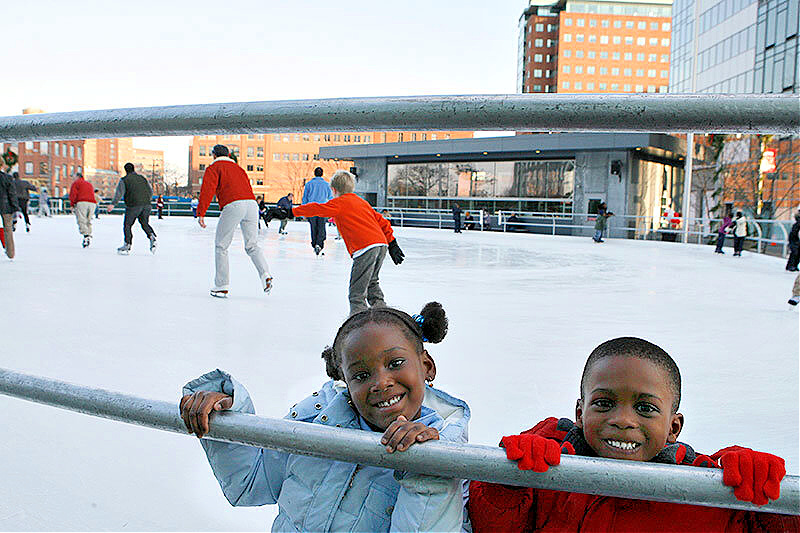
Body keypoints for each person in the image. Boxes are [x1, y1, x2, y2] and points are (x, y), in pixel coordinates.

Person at [179, 302, 470, 532]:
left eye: (395, 363)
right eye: (361, 375)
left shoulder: (447, 452)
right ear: (345, 380)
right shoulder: (317, 418)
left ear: (427, 366)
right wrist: (228, 420)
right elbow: (249, 484)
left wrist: (428, 467)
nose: (381, 383)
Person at [467, 337, 797, 533]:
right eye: (604, 403)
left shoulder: (706, 489)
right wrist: (506, 481)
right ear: (581, 413)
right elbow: (494, 526)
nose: (623, 420)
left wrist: (767, 501)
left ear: (673, 428)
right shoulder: (549, 470)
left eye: (646, 408)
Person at [291, 170, 404, 315]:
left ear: (334, 190)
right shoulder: (362, 202)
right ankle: (383, 314)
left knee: (357, 293)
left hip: (365, 248)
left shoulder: (339, 203)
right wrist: (392, 244)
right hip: (381, 245)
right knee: (372, 283)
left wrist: (291, 212)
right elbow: (383, 222)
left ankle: (358, 324)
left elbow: (316, 208)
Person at [197, 144, 272, 298]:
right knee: (252, 245)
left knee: (221, 245)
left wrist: (201, 213)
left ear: (213, 155)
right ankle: (265, 274)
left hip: (233, 204)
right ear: (229, 154)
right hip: (251, 205)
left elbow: (207, 189)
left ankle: (221, 285)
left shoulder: (215, 167)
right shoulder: (239, 169)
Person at [107, 163, 157, 255]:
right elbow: (150, 191)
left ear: (125, 170)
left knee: (127, 225)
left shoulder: (124, 180)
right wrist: (147, 200)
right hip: (147, 205)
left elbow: (119, 193)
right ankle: (151, 235)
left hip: (133, 205)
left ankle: (127, 244)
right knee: (144, 223)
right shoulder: (142, 178)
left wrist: (113, 204)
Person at [301, 167, 333, 255]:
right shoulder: (327, 185)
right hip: (322, 209)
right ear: (322, 174)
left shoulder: (309, 184)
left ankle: (315, 243)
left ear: (314, 173)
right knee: (321, 227)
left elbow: (305, 198)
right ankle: (319, 243)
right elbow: (330, 198)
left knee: (313, 227)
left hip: (311, 209)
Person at [68, 172, 97, 248]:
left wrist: (72, 204)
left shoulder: (76, 183)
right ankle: (88, 234)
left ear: (77, 176)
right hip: (92, 203)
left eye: (73, 176)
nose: (72, 178)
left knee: (81, 220)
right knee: (88, 220)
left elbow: (73, 194)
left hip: (82, 202)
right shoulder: (89, 184)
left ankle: (86, 236)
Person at [0, 169, 19, 259]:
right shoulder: (7, 178)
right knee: (8, 230)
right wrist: (15, 206)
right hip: (6, 206)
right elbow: (12, 193)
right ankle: (10, 253)